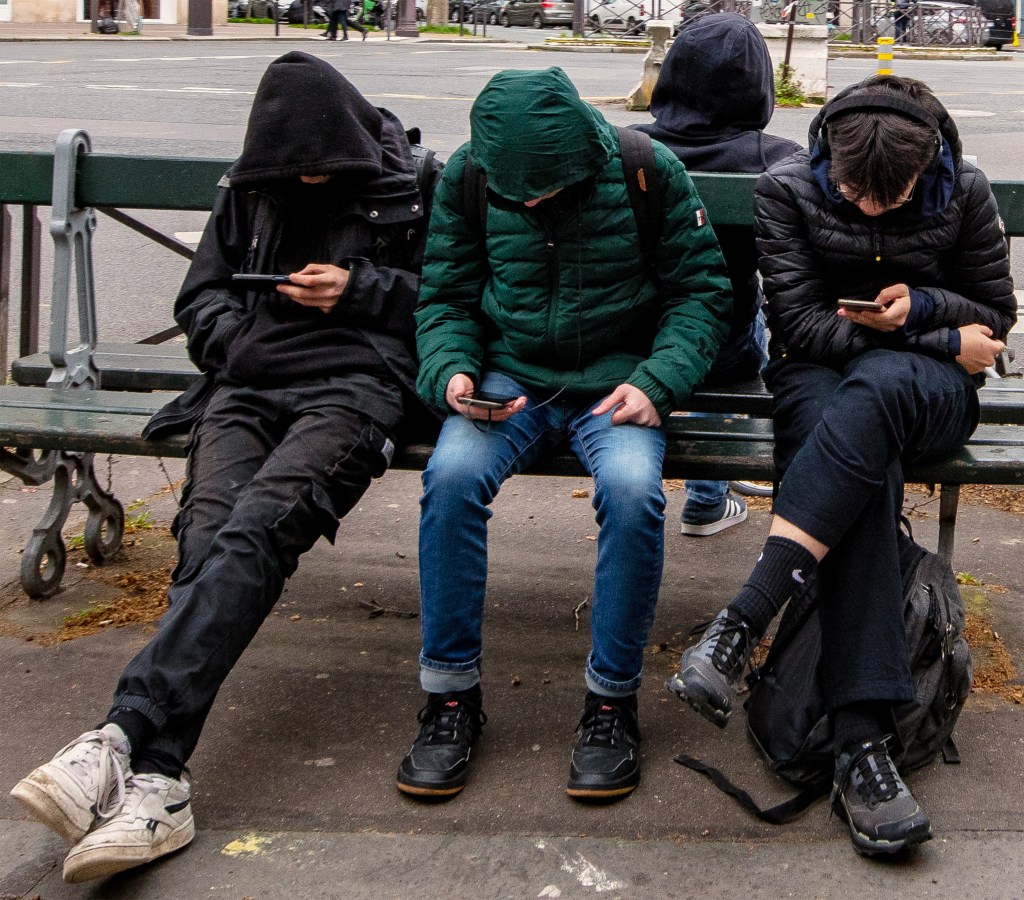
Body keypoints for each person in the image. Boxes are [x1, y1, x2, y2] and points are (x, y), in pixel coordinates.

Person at [10, 52, 439, 883]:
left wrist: (356, 291)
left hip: (356, 389)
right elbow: (200, 300)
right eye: (294, 173)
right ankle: (157, 781)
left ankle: (122, 739)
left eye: (322, 171)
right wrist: (242, 341)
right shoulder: (250, 184)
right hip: (244, 385)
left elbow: (452, 302)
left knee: (255, 533)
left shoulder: (414, 184)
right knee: (207, 539)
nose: (307, 183)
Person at [667, 75, 1015, 855]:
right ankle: (862, 745)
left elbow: (994, 317)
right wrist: (934, 336)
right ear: (829, 156)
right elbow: (797, 325)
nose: (872, 211)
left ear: (928, 167)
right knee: (859, 441)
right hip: (821, 379)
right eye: (857, 194)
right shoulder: (787, 188)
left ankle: (744, 619)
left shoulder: (963, 190)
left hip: (928, 393)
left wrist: (926, 313)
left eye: (894, 199)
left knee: (877, 392)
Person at [399, 66, 732, 802]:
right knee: (449, 481)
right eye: (517, 194)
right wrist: (452, 371)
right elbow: (445, 295)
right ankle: (450, 696)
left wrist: (657, 382)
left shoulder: (647, 169)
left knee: (633, 492)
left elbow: (701, 295)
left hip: (618, 379)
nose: (531, 204)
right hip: (508, 376)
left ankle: (611, 703)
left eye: (545, 191)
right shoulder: (469, 176)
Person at [633, 11, 801, 537]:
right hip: (721, 352)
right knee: (737, 316)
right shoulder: (777, 159)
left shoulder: (626, 147)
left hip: (629, 337)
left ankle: (714, 482)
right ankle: (708, 495)